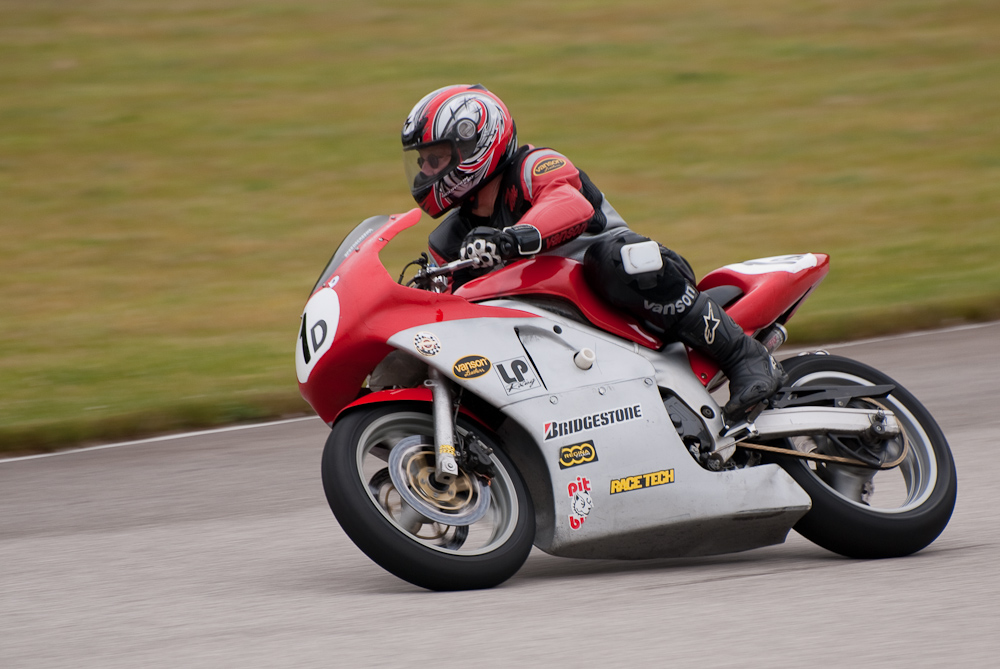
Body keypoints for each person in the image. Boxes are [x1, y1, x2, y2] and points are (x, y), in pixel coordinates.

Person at [401, 84, 785, 424]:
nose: (426, 172)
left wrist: (511, 239)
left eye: (436, 158)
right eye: (422, 162)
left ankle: (744, 356)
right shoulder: (448, 240)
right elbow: (445, 308)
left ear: (474, 146)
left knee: (616, 259)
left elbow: (569, 205)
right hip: (556, 337)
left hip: (637, 285)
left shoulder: (536, 166)